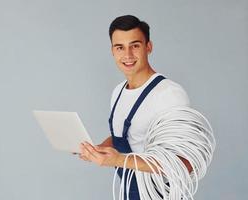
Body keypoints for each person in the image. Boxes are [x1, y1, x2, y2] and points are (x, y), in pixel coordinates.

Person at [79, 15, 193, 200]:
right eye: (120, 47)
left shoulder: (169, 94)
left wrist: (118, 160)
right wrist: (99, 149)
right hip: (129, 193)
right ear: (112, 51)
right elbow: (126, 137)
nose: (128, 55)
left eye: (135, 45)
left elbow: (184, 163)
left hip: (161, 194)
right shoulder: (118, 92)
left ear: (149, 47)